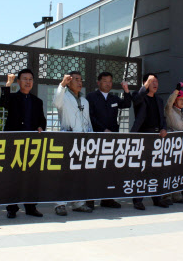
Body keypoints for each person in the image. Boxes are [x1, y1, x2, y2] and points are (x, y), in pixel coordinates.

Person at [0, 69, 46, 219]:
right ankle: (12, 208)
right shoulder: (12, 98)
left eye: (30, 79)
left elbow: (42, 120)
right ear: (19, 82)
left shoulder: (37, 101)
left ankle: (31, 207)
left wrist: (41, 127)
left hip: (31, 144)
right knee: (13, 177)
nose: (28, 82)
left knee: (31, 176)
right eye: (24, 79)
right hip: (14, 143)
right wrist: (8, 85)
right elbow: (2, 103)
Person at [85, 71, 132, 210]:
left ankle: (108, 199)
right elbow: (90, 117)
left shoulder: (114, 98)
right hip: (97, 138)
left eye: (110, 81)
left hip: (112, 139)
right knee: (94, 169)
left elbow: (127, 104)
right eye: (105, 81)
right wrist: (102, 129)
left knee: (109, 170)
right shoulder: (91, 97)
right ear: (98, 82)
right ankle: (90, 199)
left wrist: (126, 90)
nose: (108, 83)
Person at [52, 71, 94, 216]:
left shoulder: (85, 101)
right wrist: (62, 85)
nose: (79, 82)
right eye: (75, 79)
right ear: (68, 82)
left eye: (81, 80)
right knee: (64, 174)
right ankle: (60, 204)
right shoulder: (64, 95)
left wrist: (91, 137)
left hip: (82, 140)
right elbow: (56, 102)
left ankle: (78, 203)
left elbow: (88, 121)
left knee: (79, 173)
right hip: (67, 139)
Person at [130, 73, 170, 210]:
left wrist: (164, 128)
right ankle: (137, 200)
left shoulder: (159, 100)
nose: (155, 84)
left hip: (156, 137)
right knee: (141, 170)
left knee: (155, 170)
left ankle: (157, 198)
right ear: (145, 83)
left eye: (156, 81)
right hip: (142, 137)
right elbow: (136, 100)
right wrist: (145, 85)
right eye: (152, 81)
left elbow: (163, 118)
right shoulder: (139, 96)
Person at [163, 82, 183, 204]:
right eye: (181, 99)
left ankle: (177, 195)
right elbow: (168, 103)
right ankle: (166, 196)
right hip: (170, 145)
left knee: (178, 171)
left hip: (181, 146)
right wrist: (176, 90)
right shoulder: (169, 110)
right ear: (175, 101)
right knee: (168, 170)